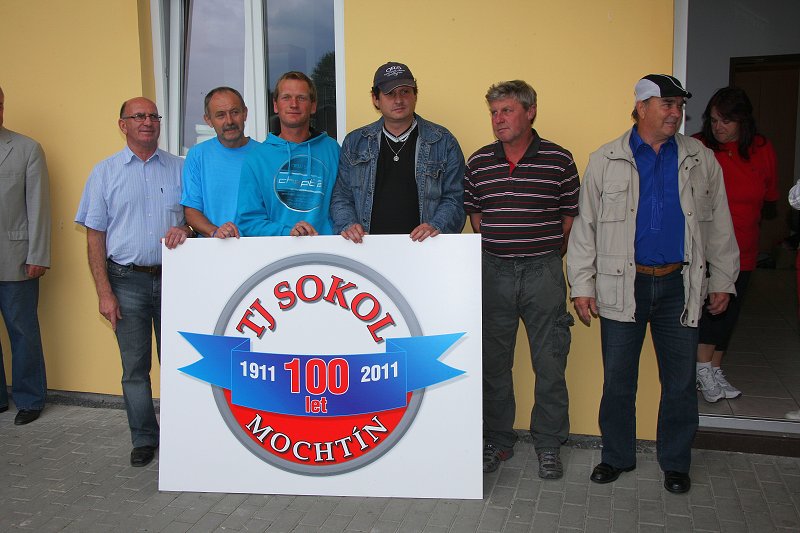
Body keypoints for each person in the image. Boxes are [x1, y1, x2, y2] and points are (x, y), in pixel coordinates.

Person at [567, 74, 739, 494]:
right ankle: (617, 456)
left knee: (679, 382)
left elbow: (718, 224)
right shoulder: (606, 159)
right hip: (623, 285)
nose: (676, 113)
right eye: (667, 104)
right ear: (641, 108)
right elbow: (585, 228)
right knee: (618, 379)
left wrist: (723, 279)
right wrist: (582, 285)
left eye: (679, 105)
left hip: (681, 286)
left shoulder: (699, 158)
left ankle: (675, 462)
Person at [465, 80, 579, 479]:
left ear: (530, 112)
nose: (499, 119)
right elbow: (476, 218)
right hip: (493, 271)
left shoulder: (559, 160)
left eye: (507, 111)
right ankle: (498, 440)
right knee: (493, 364)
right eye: (494, 112)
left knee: (550, 363)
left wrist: (542, 253)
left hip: (543, 272)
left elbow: (568, 219)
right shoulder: (479, 162)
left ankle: (548, 444)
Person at [75, 97, 189, 467]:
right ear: (122, 125)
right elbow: (94, 237)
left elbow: (194, 219)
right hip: (125, 282)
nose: (147, 122)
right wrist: (104, 293)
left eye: (153, 115)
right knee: (135, 369)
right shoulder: (104, 173)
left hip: (174, 281)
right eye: (138, 116)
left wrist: (186, 229)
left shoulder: (180, 168)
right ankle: (144, 439)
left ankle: (183, 436)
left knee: (179, 362)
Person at [693, 87, 778, 403]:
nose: (719, 127)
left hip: (745, 245)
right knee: (711, 310)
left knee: (730, 312)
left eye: (726, 121)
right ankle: (702, 369)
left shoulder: (761, 149)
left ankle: (715, 369)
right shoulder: (699, 147)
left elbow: (770, 194)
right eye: (714, 120)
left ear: (743, 121)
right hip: (708, 248)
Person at [331, 62, 465, 242]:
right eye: (390, 94)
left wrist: (436, 225)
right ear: (375, 99)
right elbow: (342, 196)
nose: (399, 100)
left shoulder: (443, 141)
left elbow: (455, 198)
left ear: (415, 95)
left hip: (425, 248)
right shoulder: (355, 142)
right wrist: (348, 224)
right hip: (367, 248)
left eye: (405, 91)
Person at [0, 85, 51, 425]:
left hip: (16, 258)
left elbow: (38, 206)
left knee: (22, 332)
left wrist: (39, 255)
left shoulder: (26, 149)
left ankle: (30, 399)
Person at [237, 72, 339, 236]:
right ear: (275, 105)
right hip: (278, 250)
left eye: (301, 98)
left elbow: (344, 204)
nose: (294, 104)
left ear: (313, 106)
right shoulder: (257, 158)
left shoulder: (332, 150)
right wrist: (287, 233)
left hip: (326, 248)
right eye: (286, 97)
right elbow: (248, 221)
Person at [182, 87, 256, 239]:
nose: (229, 121)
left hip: (257, 248)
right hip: (213, 248)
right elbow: (191, 211)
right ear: (208, 120)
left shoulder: (264, 154)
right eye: (220, 115)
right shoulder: (198, 155)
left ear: (245, 113)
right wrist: (215, 232)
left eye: (235, 112)